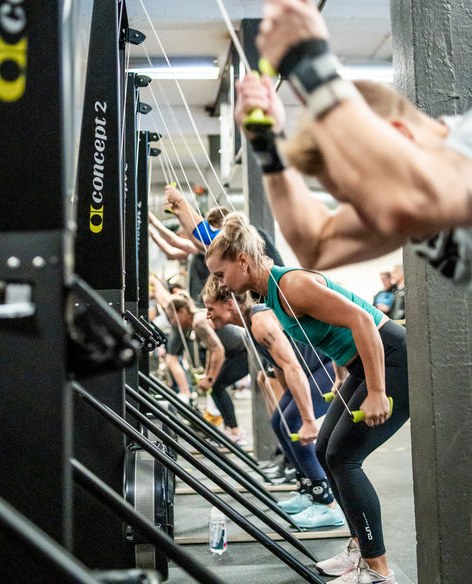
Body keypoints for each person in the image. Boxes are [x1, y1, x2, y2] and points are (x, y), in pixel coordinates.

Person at [205, 213, 409, 584]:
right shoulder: (272, 294)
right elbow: (334, 329)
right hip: (365, 364)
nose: (219, 283)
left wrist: (377, 391)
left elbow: (364, 321)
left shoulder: (289, 286)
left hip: (394, 360)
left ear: (242, 262)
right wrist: (344, 372)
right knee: (324, 451)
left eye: (220, 274)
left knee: (344, 457)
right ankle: (358, 548)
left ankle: (378, 571)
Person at [249, 0, 472, 288]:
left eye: (361, 194)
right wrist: (266, 143)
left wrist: (310, 65)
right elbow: (318, 245)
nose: (361, 212)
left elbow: (410, 200)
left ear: (400, 135)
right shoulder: (417, 198)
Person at [202, 275, 348, 528]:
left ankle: (327, 505)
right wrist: (286, 409)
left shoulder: (260, 321)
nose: (207, 315)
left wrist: (307, 419)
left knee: (293, 424)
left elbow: (292, 367)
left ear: (228, 304)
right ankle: (308, 492)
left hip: (326, 366)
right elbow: (280, 369)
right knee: (281, 421)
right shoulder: (249, 326)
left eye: (210, 308)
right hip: (309, 371)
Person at [165, 295, 249, 445]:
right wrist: (208, 375)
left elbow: (218, 350)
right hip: (236, 352)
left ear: (183, 311)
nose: (172, 322)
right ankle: (230, 429)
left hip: (244, 351)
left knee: (216, 385)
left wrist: (210, 379)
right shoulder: (196, 322)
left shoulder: (198, 322)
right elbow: (211, 350)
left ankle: (235, 432)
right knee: (215, 386)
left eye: (173, 317)